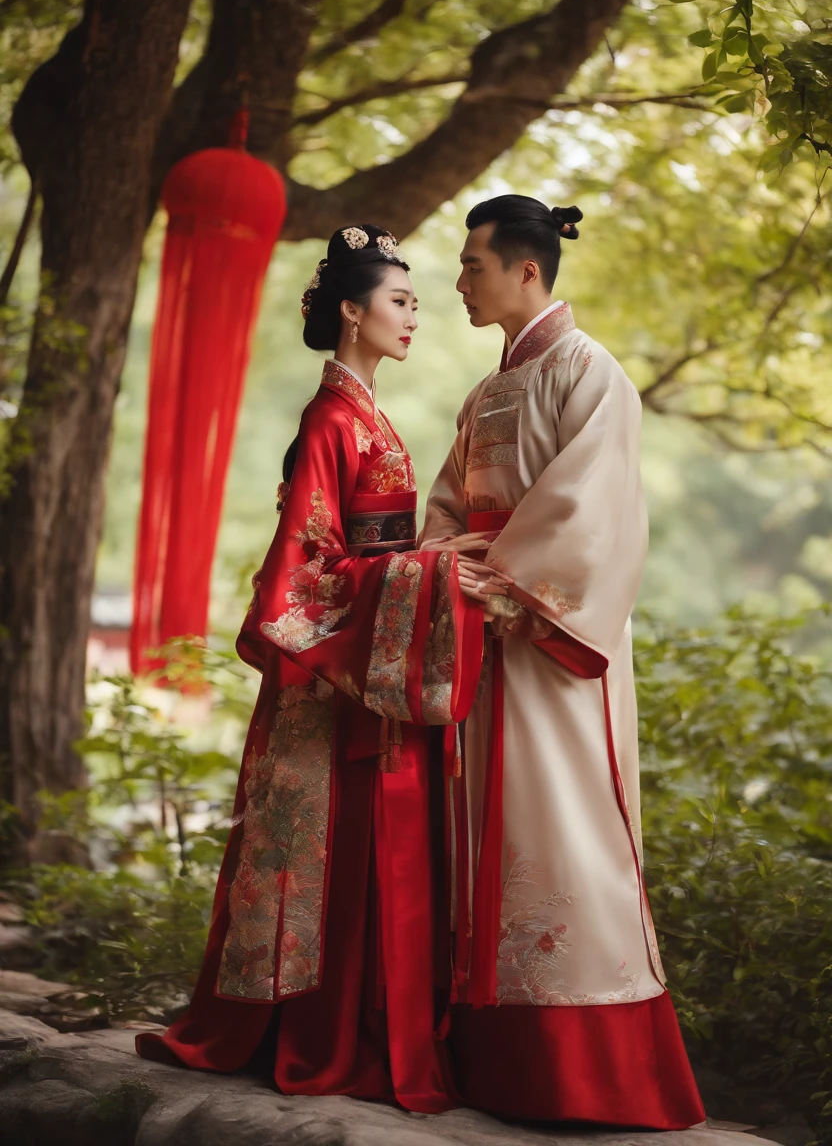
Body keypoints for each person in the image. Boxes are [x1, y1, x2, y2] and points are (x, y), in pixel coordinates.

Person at [136, 224, 490, 1113]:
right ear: (351, 309)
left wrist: (429, 558)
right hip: (331, 674)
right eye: (400, 301)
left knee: (376, 850)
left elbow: (371, 549)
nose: (416, 316)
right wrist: (434, 568)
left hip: (368, 658)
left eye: (416, 302)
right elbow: (306, 569)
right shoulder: (333, 417)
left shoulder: (368, 411)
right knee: (328, 851)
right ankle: (314, 1032)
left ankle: (361, 1028)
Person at [420, 195, 706, 1128]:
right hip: (489, 633)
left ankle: (593, 1075)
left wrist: (499, 578)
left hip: (553, 639)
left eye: (472, 265)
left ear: (526, 270)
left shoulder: (592, 373)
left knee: (567, 835)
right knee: (489, 836)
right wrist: (444, 563)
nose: (460, 282)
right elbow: (448, 508)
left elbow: (595, 516)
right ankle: (496, 1066)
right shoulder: (487, 391)